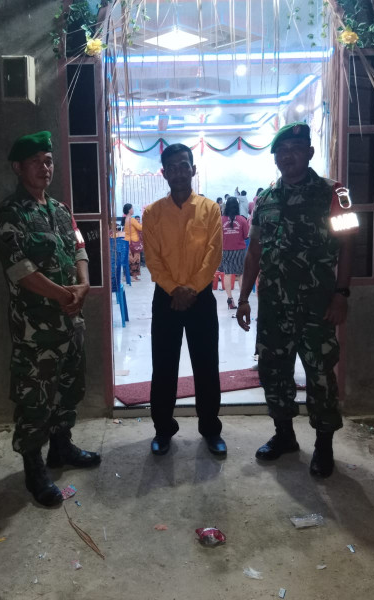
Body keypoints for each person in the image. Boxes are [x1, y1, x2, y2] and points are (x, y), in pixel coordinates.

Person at [235, 122, 356, 478]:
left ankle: (324, 445)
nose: (288, 156)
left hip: (318, 307)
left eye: (296, 149)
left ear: (309, 153)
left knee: (320, 375)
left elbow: (349, 245)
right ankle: (284, 435)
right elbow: (254, 252)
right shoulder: (266, 199)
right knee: (274, 372)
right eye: (282, 151)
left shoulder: (335, 193)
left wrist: (342, 294)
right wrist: (243, 298)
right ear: (275, 158)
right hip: (274, 306)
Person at [0, 131, 101, 507]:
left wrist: (83, 286)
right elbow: (19, 269)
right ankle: (34, 467)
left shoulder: (60, 210)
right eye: (36, 161)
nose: (45, 167)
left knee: (69, 388)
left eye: (49, 160)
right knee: (35, 398)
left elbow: (81, 248)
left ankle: (61, 447)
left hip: (71, 322)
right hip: (35, 330)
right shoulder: (10, 214)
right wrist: (63, 295)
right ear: (18, 167)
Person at [142, 143, 226, 457]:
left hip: (200, 298)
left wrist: (191, 288)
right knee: (164, 366)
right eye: (172, 168)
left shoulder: (210, 209)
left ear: (193, 169)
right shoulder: (152, 213)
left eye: (184, 165)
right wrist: (174, 289)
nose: (178, 172)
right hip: (165, 299)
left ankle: (211, 429)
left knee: (207, 365)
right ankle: (163, 430)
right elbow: (152, 259)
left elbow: (213, 254)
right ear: (164, 173)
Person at [219, 197, 249, 309]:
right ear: (237, 206)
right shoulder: (242, 220)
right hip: (239, 250)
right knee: (240, 274)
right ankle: (242, 300)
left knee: (227, 274)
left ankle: (230, 299)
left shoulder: (221, 220)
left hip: (226, 250)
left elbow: (218, 236)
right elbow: (246, 236)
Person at [123, 203, 143, 281]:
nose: (133, 210)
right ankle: (133, 277)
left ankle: (127, 276)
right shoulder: (132, 219)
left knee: (130, 259)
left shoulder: (126, 219)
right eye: (132, 208)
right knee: (135, 259)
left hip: (127, 241)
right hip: (134, 242)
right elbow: (140, 228)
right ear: (129, 210)